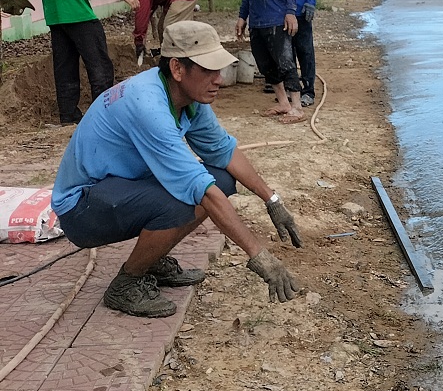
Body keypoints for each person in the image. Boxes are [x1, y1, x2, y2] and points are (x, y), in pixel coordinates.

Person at [51, 21, 304, 318]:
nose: (219, 80)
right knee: (185, 198)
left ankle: (152, 259)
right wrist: (259, 256)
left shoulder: (188, 99)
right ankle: (127, 283)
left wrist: (272, 200)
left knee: (220, 180)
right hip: (81, 207)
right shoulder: (148, 105)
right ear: (178, 69)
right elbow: (201, 192)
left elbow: (224, 152)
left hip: (117, 188)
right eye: (208, 70)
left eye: (219, 69)